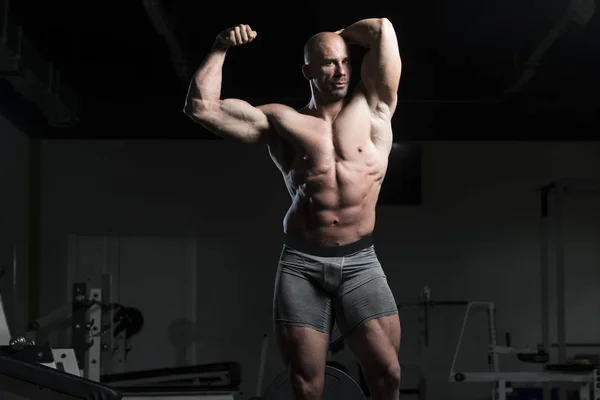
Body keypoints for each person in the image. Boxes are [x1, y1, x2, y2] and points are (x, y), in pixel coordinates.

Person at [184, 18, 402, 400]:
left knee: (387, 373)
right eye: (329, 63)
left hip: (360, 262)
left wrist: (336, 37)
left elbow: (382, 29)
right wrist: (220, 46)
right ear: (308, 71)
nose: (341, 71)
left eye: (346, 61)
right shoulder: (283, 121)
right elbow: (201, 108)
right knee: (305, 383)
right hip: (302, 265)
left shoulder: (375, 108)